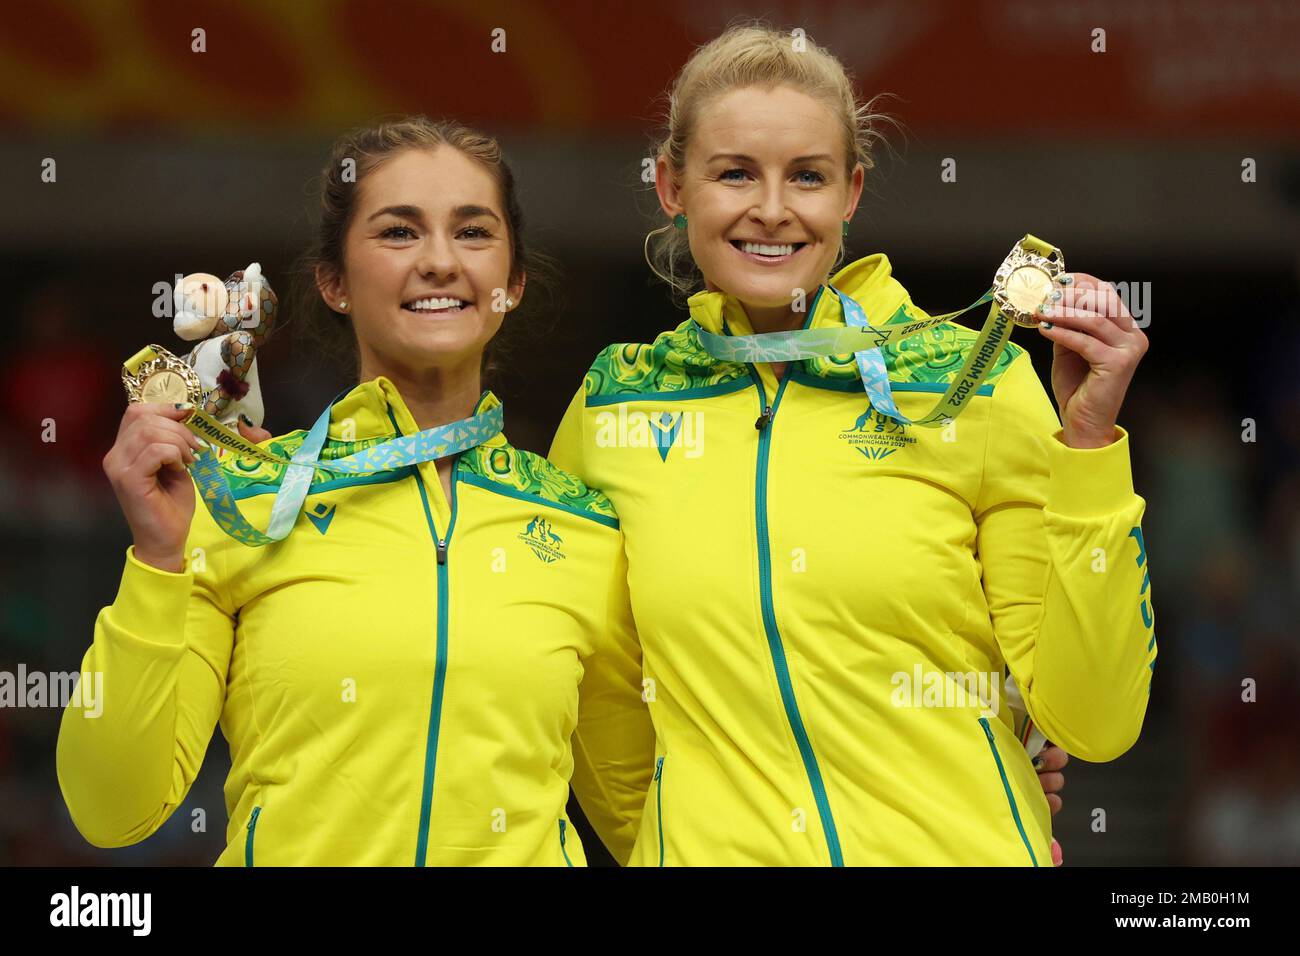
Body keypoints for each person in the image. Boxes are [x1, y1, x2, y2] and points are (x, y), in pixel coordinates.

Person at [549, 23, 1152, 865]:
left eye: (807, 176)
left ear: (852, 192)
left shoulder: (969, 381)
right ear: (671, 185)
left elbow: (1094, 720)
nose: (772, 208)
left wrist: (1088, 450)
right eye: (734, 174)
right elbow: (603, 699)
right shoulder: (617, 407)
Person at [56, 118, 655, 866]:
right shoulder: (244, 502)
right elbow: (111, 808)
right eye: (399, 233)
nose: (439, 261)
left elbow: (643, 821)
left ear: (513, 282)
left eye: (472, 233)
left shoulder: (584, 525)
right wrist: (157, 558)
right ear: (334, 282)